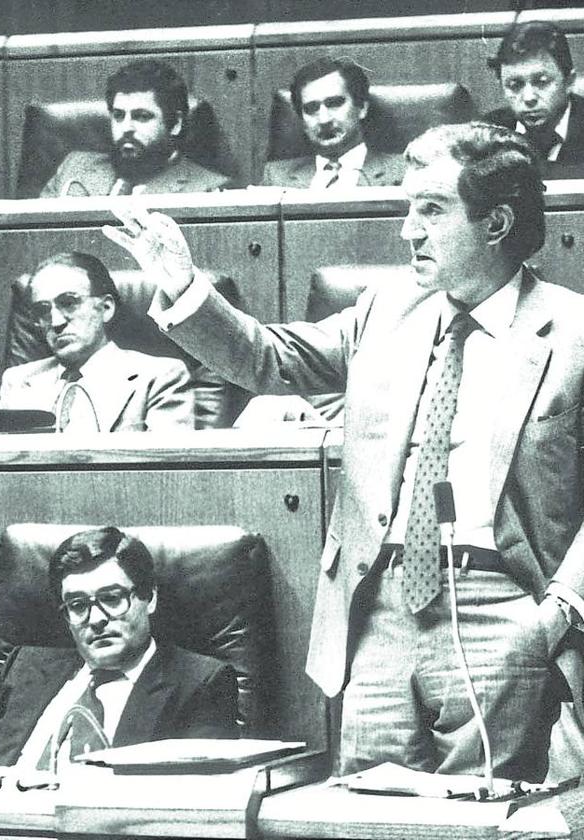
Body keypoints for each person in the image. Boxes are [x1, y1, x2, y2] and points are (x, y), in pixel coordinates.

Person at [104, 121, 584, 783]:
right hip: (378, 601)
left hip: (502, 604)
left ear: (497, 221)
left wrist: (557, 610)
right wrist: (186, 287)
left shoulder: (573, 332)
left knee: (482, 814)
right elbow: (268, 360)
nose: (408, 230)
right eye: (408, 209)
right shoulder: (386, 310)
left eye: (431, 211)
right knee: (366, 809)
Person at [0, 527, 236, 768]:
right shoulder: (25, 666)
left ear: (148, 598)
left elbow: (192, 802)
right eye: (78, 605)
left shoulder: (201, 683)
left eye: (112, 598)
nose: (96, 618)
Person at [0, 252, 195, 432]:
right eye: (42, 310)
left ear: (106, 308)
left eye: (69, 303)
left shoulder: (160, 376)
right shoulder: (17, 381)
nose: (56, 322)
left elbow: (165, 468)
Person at [40, 60, 234, 198]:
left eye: (142, 117)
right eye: (118, 116)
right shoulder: (74, 168)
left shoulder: (207, 190)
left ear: (175, 123)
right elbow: (36, 247)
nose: (126, 128)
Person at [260, 57, 405, 189]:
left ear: (361, 108)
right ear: (302, 119)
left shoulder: (403, 172)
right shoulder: (276, 178)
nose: (324, 120)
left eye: (334, 103)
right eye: (311, 109)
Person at [484, 21, 584, 174]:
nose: (529, 98)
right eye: (514, 85)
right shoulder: (486, 135)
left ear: (569, 82)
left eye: (541, 82)